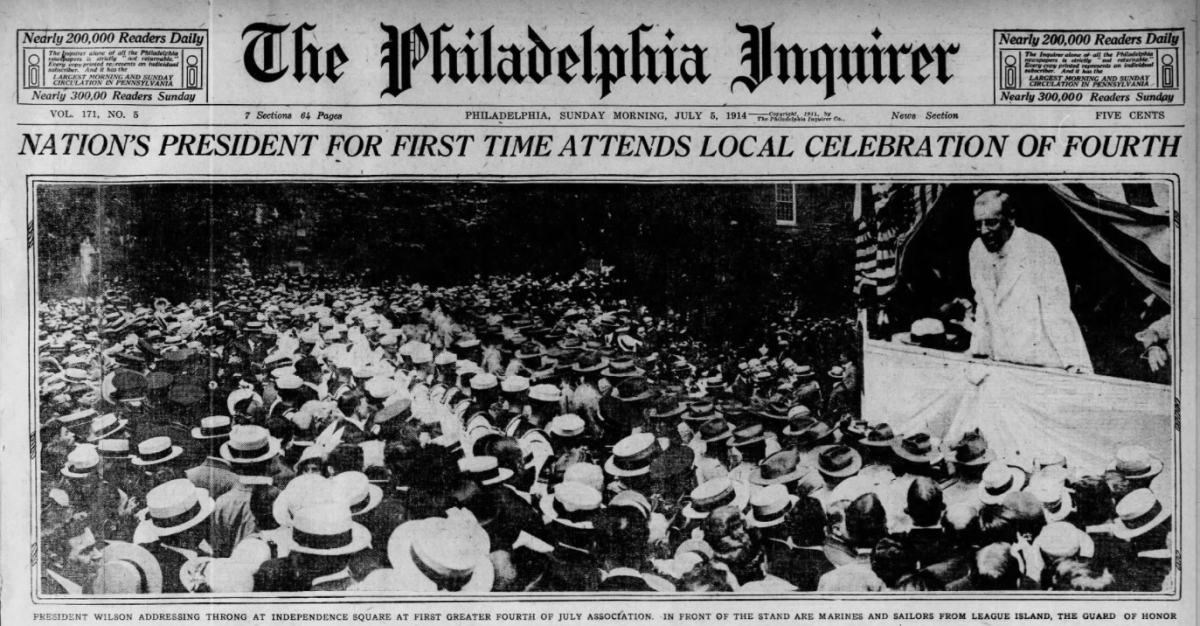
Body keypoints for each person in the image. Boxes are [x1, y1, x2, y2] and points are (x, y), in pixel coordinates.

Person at [967, 190, 1093, 373]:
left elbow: (1057, 310)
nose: (984, 231)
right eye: (978, 224)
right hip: (1001, 361)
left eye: (992, 222)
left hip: (1043, 364)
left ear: (1011, 218)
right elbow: (982, 306)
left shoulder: (1038, 249)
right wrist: (978, 352)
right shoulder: (977, 250)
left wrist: (1075, 364)